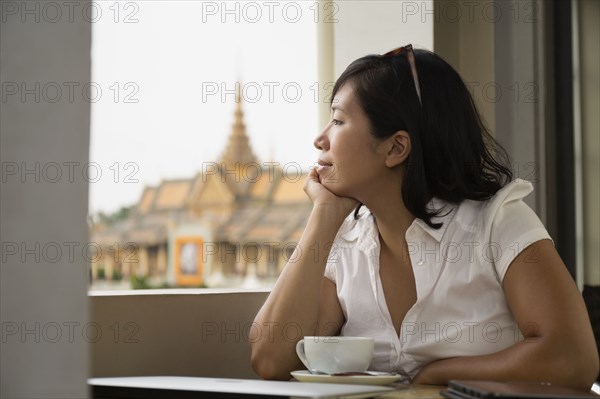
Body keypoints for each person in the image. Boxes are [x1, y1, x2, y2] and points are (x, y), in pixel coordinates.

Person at [250, 45, 599, 388]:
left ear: (396, 148)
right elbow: (271, 361)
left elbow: (571, 358)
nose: (319, 139)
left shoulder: (498, 222)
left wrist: (439, 374)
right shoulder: (346, 241)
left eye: (339, 120)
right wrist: (324, 215)